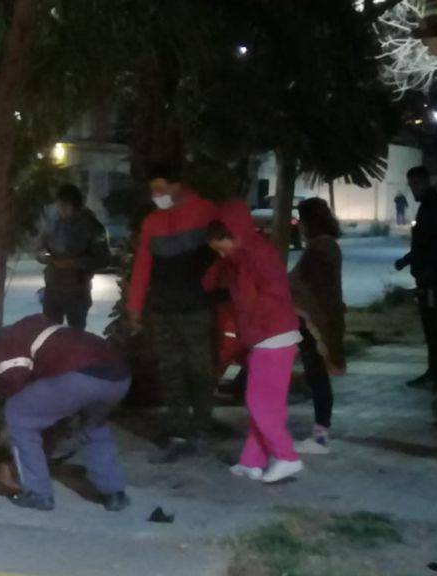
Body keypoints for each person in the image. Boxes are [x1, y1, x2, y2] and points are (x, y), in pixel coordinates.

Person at [127, 164, 218, 464]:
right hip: (163, 309)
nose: (157, 195)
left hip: (196, 308)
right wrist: (135, 309)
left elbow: (223, 254)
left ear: (177, 186)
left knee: (200, 370)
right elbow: (142, 267)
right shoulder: (152, 223)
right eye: (153, 190)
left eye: (161, 188)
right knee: (170, 371)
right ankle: (178, 431)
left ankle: (201, 429)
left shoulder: (204, 211)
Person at [0, 313, 131, 511]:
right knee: (94, 428)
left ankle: (38, 494)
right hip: (119, 378)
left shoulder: (11, 338)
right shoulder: (52, 329)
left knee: (18, 415)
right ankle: (114, 493)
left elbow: (13, 380)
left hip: (78, 376)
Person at [204, 219, 304, 483]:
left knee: (260, 403)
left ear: (234, 236)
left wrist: (255, 326)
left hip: (271, 337)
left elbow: (269, 295)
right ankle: (253, 461)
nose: (222, 255)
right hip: (272, 336)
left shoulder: (254, 255)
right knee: (266, 403)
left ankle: (286, 456)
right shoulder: (249, 253)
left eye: (222, 248)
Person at [290, 198, 346, 454]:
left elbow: (306, 285)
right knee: (318, 377)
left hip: (316, 321)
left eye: (302, 220)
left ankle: (321, 437)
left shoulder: (319, 249)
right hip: (324, 318)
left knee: (318, 377)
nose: (299, 225)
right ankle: (321, 433)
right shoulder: (328, 245)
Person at [394, 166, 437, 393]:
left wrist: (432, 267)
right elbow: (424, 244)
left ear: (424, 182)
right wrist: (407, 260)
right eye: (410, 186)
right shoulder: (428, 207)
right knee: (430, 326)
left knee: (434, 326)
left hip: (431, 276)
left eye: (414, 185)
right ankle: (435, 371)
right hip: (425, 274)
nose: (412, 191)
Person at [38, 184, 109, 330]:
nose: (61, 209)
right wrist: (48, 257)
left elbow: (103, 259)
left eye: (65, 206)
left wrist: (76, 263)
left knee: (75, 336)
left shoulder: (91, 226)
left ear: (75, 206)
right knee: (50, 333)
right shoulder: (53, 223)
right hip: (53, 289)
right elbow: (40, 250)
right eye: (59, 205)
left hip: (77, 292)